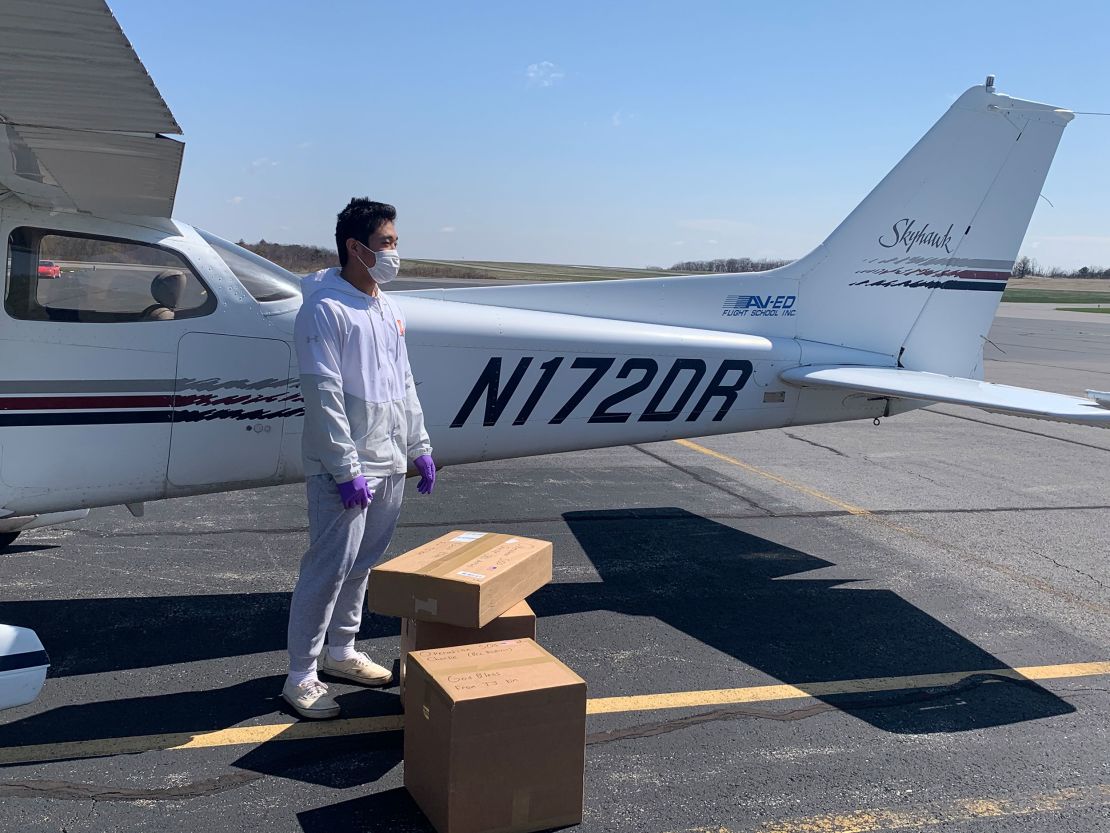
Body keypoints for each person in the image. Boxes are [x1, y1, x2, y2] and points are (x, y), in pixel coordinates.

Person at [284, 198, 436, 720]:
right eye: (387, 242)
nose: (395, 252)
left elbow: (405, 384)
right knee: (328, 568)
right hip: (346, 469)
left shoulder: (387, 308)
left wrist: (419, 446)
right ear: (356, 247)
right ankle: (301, 674)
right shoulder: (325, 310)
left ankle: (341, 650)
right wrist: (345, 468)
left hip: (389, 459)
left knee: (363, 564)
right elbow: (323, 395)